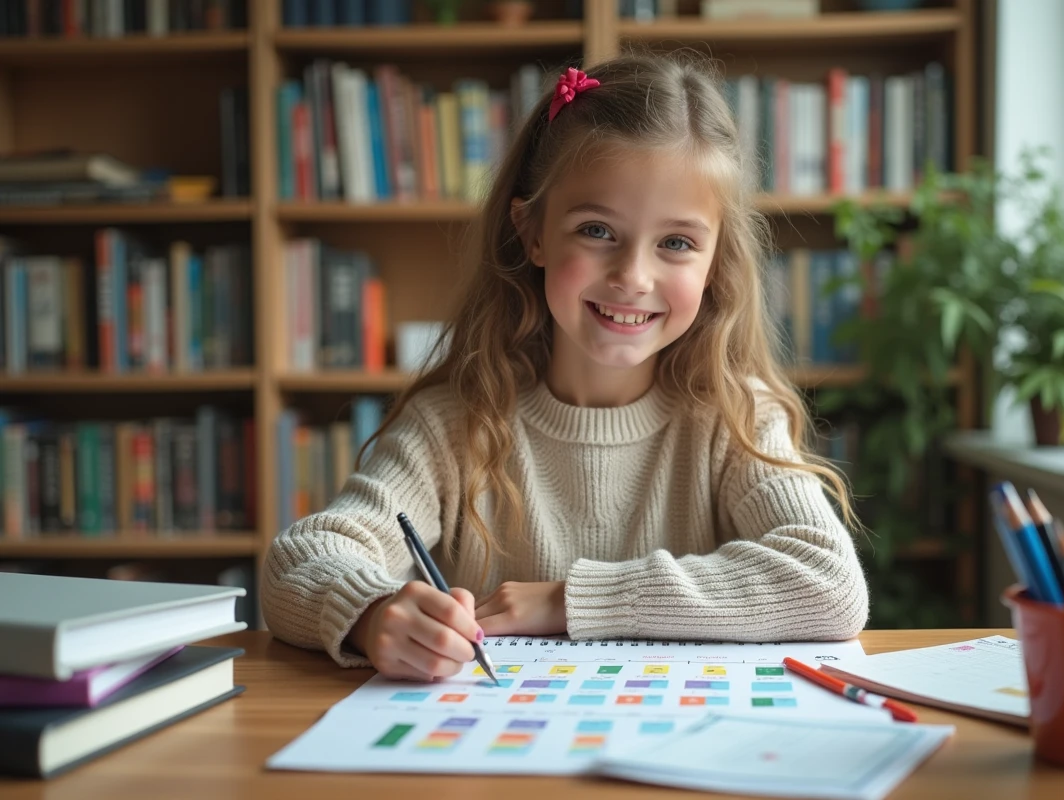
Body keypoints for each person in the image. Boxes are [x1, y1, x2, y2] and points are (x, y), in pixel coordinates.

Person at [261, 51, 869, 680]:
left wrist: (569, 600)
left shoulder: (735, 417)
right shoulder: (453, 425)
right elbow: (298, 561)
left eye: (677, 243)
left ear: (716, 262)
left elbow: (829, 584)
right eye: (597, 231)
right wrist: (374, 612)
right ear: (533, 233)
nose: (633, 276)